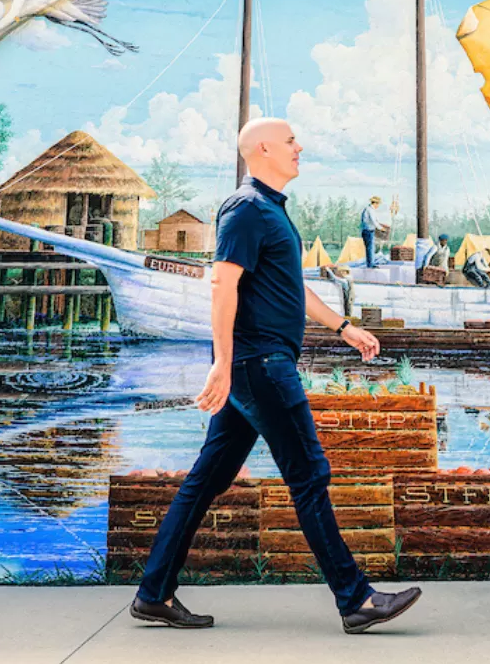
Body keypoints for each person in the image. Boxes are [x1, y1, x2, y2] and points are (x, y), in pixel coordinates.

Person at [132, 117, 422, 635]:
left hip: (255, 365)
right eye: (291, 141)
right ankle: (356, 599)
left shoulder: (270, 211)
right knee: (308, 475)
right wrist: (221, 362)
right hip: (260, 364)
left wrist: (343, 327)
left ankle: (153, 594)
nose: (299, 146)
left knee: (206, 481)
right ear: (262, 148)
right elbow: (223, 284)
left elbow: (291, 288)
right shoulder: (245, 208)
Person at [358, 195, 395, 268]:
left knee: (370, 248)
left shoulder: (368, 209)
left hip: (367, 231)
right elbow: (374, 221)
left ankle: (370, 263)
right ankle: (371, 264)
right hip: (368, 231)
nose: (378, 206)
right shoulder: (370, 210)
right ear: (375, 203)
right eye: (378, 204)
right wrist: (381, 228)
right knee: (370, 248)